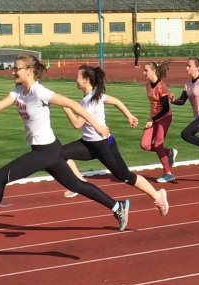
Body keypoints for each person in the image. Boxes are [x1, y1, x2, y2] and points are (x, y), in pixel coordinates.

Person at [0, 55, 130, 248]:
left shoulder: (40, 92)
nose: (13, 71)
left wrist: (96, 125)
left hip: (46, 152)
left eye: (17, 68)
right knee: (76, 185)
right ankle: (117, 206)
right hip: (48, 150)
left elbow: (72, 104)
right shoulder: (18, 91)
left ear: (29, 70)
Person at [60, 65, 169, 216]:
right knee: (61, 153)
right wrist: (129, 115)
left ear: (85, 80)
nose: (74, 79)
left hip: (103, 145)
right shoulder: (93, 96)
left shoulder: (90, 100)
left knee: (125, 176)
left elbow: (77, 124)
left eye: (77, 76)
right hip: (88, 144)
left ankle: (158, 196)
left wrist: (66, 106)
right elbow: (117, 101)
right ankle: (78, 184)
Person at [141, 60, 178, 183]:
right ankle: (169, 152)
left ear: (153, 71)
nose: (144, 72)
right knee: (145, 145)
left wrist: (153, 120)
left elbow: (165, 108)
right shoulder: (147, 85)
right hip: (153, 118)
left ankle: (168, 173)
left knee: (157, 145)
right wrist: (152, 118)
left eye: (146, 70)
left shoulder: (161, 86)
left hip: (164, 118)